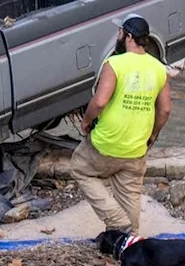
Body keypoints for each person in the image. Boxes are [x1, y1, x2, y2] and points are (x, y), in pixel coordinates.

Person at [72, 14, 171, 235]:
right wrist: (153, 134)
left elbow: (99, 101)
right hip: (136, 147)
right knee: (130, 193)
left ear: (127, 36)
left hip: (107, 143)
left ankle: (116, 221)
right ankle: (130, 240)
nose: (117, 35)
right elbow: (164, 110)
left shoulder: (114, 64)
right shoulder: (158, 68)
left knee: (80, 169)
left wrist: (86, 121)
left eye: (119, 32)